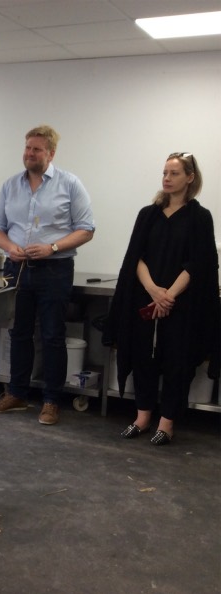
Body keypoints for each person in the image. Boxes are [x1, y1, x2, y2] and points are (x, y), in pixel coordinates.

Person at [102, 153, 219, 445]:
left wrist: (169, 296)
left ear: (190, 178)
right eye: (164, 173)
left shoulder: (199, 217)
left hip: (181, 306)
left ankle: (166, 424)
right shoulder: (148, 214)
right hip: (146, 299)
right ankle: (142, 418)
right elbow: (135, 258)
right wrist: (154, 290)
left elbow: (199, 263)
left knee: (177, 362)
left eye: (174, 173)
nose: (167, 178)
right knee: (144, 358)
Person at [0, 125, 95, 425]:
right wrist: (10, 247)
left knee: (52, 336)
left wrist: (53, 247)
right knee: (19, 333)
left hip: (55, 269)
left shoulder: (70, 184)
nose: (29, 153)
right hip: (17, 269)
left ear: (51, 153)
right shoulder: (11, 185)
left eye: (36, 149)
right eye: (27, 147)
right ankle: (17, 394)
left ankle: (51, 401)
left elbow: (86, 229)